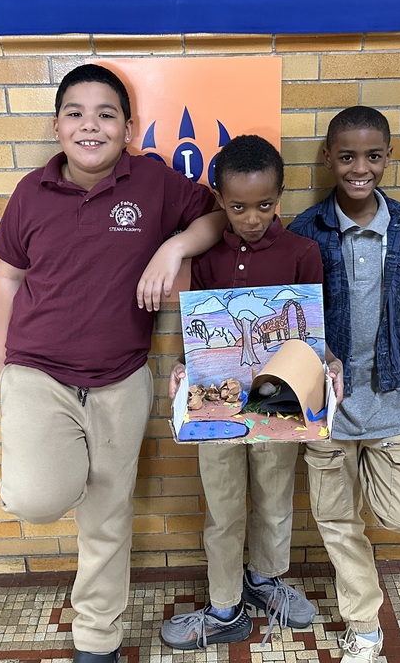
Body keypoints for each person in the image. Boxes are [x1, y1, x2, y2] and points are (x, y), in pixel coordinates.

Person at [0, 64, 226, 663]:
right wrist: (2, 359)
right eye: (75, 113)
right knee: (35, 498)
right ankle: (59, 471)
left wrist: (172, 245)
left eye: (105, 114)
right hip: (37, 372)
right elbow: (9, 274)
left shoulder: (152, 182)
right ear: (56, 126)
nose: (89, 126)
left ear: (129, 126)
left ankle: (96, 640)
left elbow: (217, 217)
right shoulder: (30, 192)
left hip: (122, 377)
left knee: (107, 514)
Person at [159, 135, 344, 650]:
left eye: (265, 204)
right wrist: (181, 365)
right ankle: (224, 605)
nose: (252, 217)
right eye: (238, 206)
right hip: (216, 403)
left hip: (278, 405)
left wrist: (326, 363)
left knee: (275, 497)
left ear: (280, 195)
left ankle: (264, 579)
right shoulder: (208, 255)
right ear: (220, 200)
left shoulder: (303, 253)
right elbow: (198, 330)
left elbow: (313, 333)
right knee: (221, 505)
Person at [287, 106, 400, 663]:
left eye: (373, 156)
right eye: (347, 156)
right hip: (325, 410)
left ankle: (369, 508)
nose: (359, 168)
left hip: (392, 400)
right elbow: (291, 320)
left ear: (387, 158)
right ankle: (363, 622)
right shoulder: (303, 234)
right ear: (328, 157)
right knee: (336, 519)